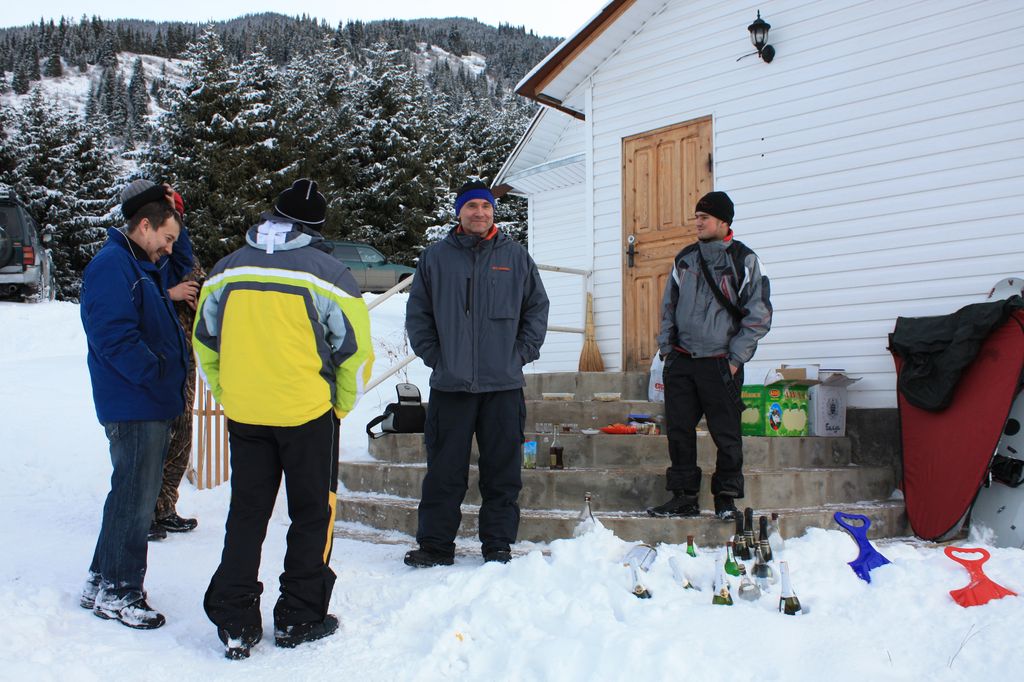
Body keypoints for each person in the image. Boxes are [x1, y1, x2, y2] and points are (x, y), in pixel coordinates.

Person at [194, 179, 372, 660]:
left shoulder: (226, 269)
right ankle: (299, 615)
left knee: (247, 512)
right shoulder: (330, 274)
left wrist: (229, 393)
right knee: (312, 513)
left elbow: (205, 342)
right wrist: (339, 406)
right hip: (307, 413)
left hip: (246, 413)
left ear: (272, 217)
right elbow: (355, 352)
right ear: (316, 227)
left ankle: (234, 618)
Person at [404, 179, 549, 568]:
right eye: (471, 206)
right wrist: (438, 358)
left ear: (493, 211)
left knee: (502, 471)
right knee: (444, 471)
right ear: (459, 212)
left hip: (503, 385)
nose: (479, 213)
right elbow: (418, 315)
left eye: (485, 206)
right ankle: (436, 545)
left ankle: (497, 544)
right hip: (451, 385)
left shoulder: (515, 257)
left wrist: (520, 354)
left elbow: (537, 309)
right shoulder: (435, 258)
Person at [79, 179, 193, 629]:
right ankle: (120, 590)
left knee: (127, 495)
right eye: (166, 237)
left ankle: (100, 579)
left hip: (144, 400)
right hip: (135, 402)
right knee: (135, 500)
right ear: (144, 226)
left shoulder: (140, 263)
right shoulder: (113, 266)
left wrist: (172, 212)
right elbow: (112, 337)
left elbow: (180, 265)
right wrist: (156, 372)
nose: (169, 248)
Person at [647, 191, 772, 521]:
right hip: (682, 360)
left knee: (727, 436)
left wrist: (735, 359)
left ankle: (726, 499)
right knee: (679, 432)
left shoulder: (745, 260)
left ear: (723, 221)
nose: (698, 223)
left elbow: (759, 315)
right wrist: (667, 351)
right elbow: (668, 307)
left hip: (720, 362)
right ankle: (684, 497)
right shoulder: (685, 258)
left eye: (704, 217)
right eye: (697, 217)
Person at [149, 249, 206, 541]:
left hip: (184, 360)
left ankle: (165, 507)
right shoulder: (140, 260)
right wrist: (169, 294)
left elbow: (208, 298)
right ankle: (143, 513)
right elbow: (133, 303)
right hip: (155, 361)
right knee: (152, 439)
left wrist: (199, 303)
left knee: (182, 436)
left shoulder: (187, 261)